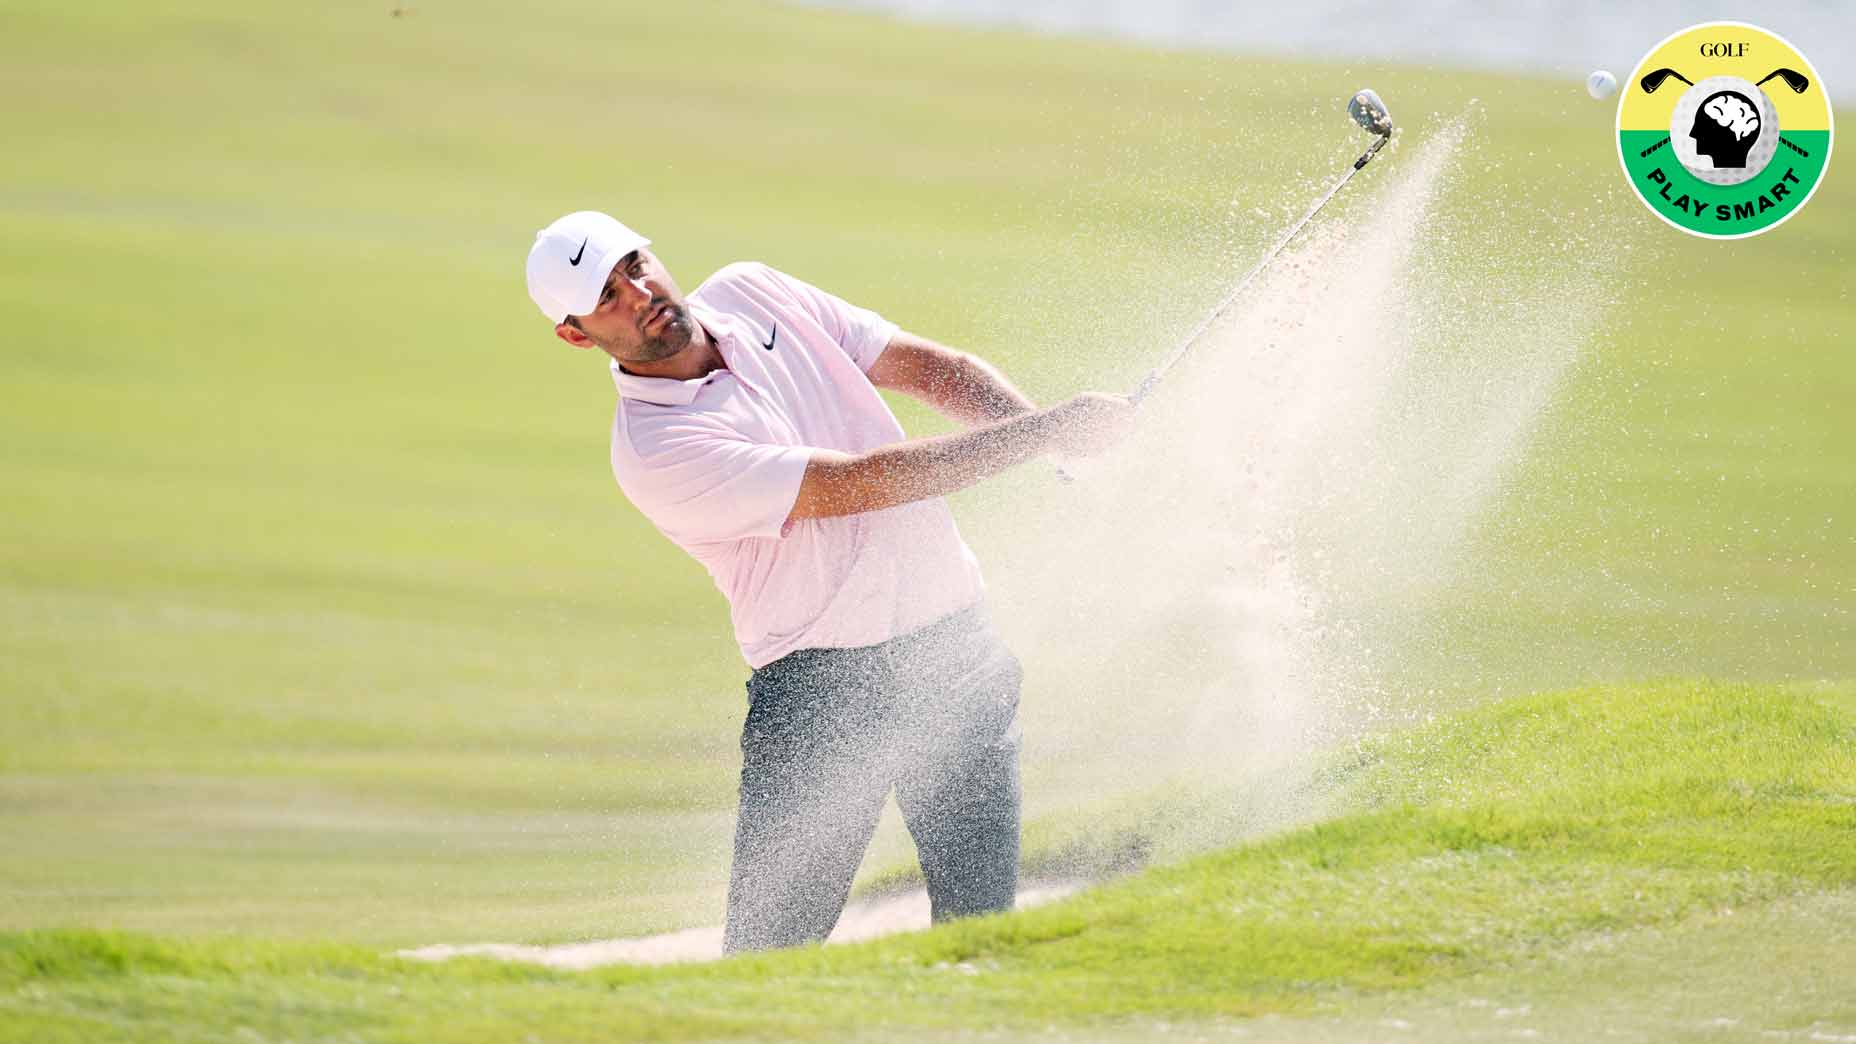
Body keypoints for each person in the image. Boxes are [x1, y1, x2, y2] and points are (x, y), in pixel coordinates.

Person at [524, 210, 1134, 953]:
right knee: (769, 956)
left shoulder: (755, 291)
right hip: (821, 698)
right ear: (575, 333)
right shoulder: (657, 449)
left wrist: (1054, 444)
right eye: (608, 296)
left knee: (982, 937)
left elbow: (928, 368)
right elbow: (862, 483)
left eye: (634, 266)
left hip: (955, 654)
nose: (639, 292)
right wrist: (1044, 434)